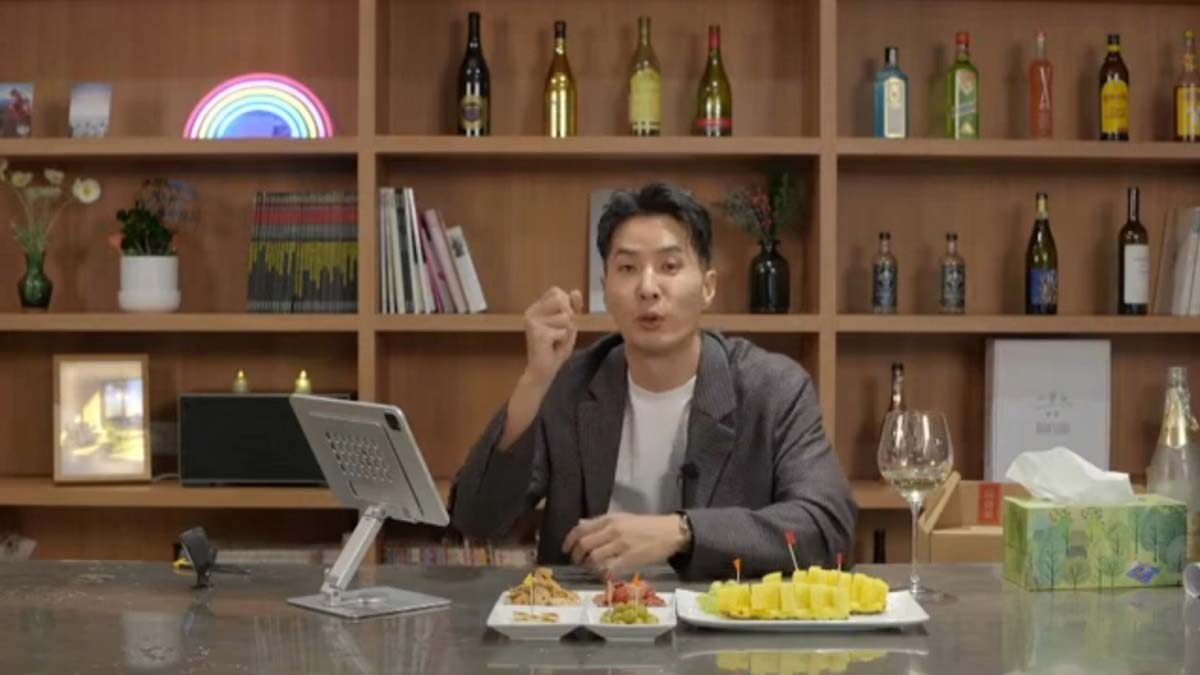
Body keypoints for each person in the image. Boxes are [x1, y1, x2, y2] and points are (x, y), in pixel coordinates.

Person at [449, 182, 856, 579]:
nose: (647, 288)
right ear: (605, 290)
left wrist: (680, 532)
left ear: (708, 287)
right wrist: (534, 379)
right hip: (589, 618)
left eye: (669, 266)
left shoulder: (774, 388)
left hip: (721, 618)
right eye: (627, 268)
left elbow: (827, 528)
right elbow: (476, 520)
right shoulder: (570, 384)